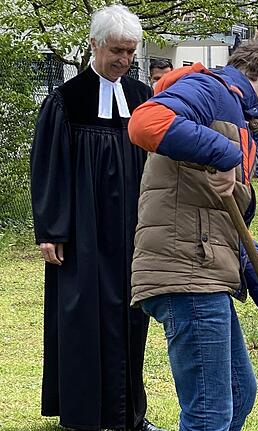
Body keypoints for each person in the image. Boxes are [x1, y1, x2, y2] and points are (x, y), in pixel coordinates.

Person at [126, 37, 258, 430]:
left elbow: (229, 226)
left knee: (238, 395)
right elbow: (144, 123)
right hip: (186, 271)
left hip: (204, 267)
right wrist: (226, 152)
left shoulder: (235, 114)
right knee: (209, 413)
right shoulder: (209, 90)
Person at [29, 5, 162, 431]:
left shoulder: (143, 98)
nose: (124, 60)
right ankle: (84, 414)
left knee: (131, 315)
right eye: (117, 51)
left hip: (133, 231)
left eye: (130, 52)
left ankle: (130, 415)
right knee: (84, 315)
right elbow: (49, 167)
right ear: (95, 45)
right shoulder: (67, 101)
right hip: (84, 230)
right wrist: (52, 228)